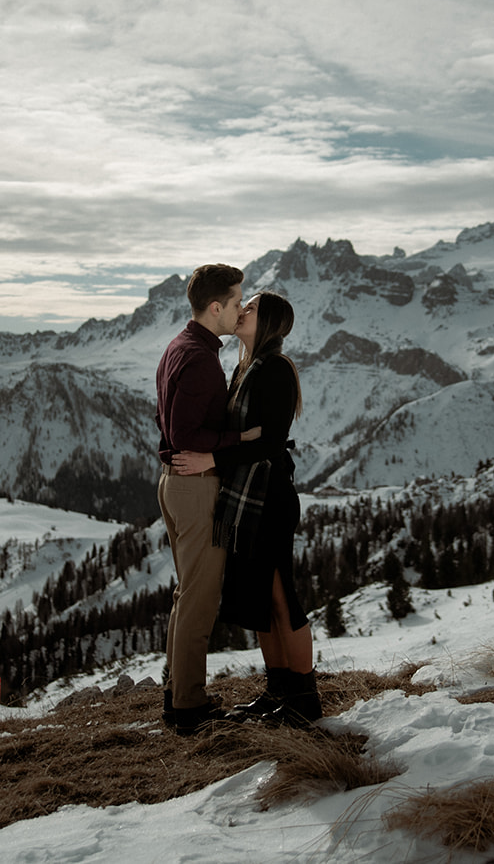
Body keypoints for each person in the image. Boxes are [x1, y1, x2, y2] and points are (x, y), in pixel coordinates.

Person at [174, 291, 319, 725]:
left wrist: (211, 460)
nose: (242, 311)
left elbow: (271, 443)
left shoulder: (274, 369)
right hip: (247, 498)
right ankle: (278, 692)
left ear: (269, 321)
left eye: (250, 307)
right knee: (258, 598)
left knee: (280, 597)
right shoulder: (244, 367)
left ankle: (304, 698)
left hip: (269, 497)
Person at [154, 263, 258, 734]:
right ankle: (190, 706)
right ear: (215, 307)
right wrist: (240, 439)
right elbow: (183, 432)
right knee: (200, 597)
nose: (240, 310)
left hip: (176, 485)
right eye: (236, 302)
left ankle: (178, 693)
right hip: (194, 488)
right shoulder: (199, 358)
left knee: (186, 593)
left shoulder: (181, 344)